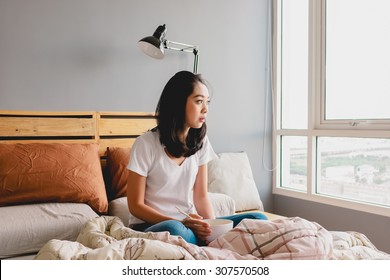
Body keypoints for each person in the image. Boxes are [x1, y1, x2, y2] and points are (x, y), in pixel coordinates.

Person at [127, 70, 267, 245]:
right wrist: (180, 222)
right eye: (199, 101)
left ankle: (211, 244)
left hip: (189, 224)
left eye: (207, 102)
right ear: (178, 103)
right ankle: (209, 244)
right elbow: (135, 205)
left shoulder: (201, 142)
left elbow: (200, 197)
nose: (205, 109)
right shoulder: (145, 144)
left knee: (258, 218)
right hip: (151, 226)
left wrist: (214, 229)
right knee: (176, 230)